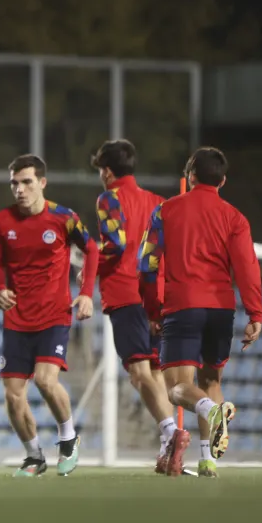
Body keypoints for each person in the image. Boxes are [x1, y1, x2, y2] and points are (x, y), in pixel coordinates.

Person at [138, 147, 262, 478]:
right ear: (222, 180)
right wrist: (256, 314)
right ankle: (208, 459)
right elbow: (247, 267)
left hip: (183, 306)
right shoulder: (235, 217)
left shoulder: (165, 211)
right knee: (210, 379)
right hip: (222, 308)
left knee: (177, 388)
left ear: (189, 176)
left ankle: (214, 411)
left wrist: (153, 308)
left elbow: (147, 264)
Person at [0, 155, 98, 477]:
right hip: (17, 319)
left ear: (42, 183)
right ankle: (34, 456)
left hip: (54, 315)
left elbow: (92, 249)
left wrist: (86, 292)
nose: (19, 190)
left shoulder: (64, 218)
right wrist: (0, 287)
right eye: (14, 184)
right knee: (13, 395)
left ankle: (68, 438)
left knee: (46, 381)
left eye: (27, 182)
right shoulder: (2, 222)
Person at [89, 140, 187, 475]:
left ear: (106, 171)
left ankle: (172, 432)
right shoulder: (160, 203)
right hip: (157, 296)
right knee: (154, 373)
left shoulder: (109, 198)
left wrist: (90, 263)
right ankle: (169, 444)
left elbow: (113, 244)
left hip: (126, 293)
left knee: (138, 372)